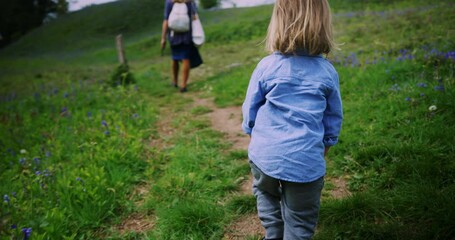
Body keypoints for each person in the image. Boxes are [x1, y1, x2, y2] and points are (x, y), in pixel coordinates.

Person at [241, 0, 343, 239]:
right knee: (300, 221)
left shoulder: (267, 66)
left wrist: (252, 132)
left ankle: (273, 231)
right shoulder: (327, 72)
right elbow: (333, 116)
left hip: (264, 154)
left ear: (277, 24)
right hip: (305, 160)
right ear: (323, 25)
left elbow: (250, 108)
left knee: (265, 192)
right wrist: (327, 143)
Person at [161, 0, 200, 93]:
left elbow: (166, 20)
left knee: (175, 58)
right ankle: (183, 85)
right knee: (186, 58)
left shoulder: (169, 2)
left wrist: (163, 38)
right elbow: (194, 17)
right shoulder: (190, 2)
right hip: (187, 34)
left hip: (174, 35)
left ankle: (175, 81)